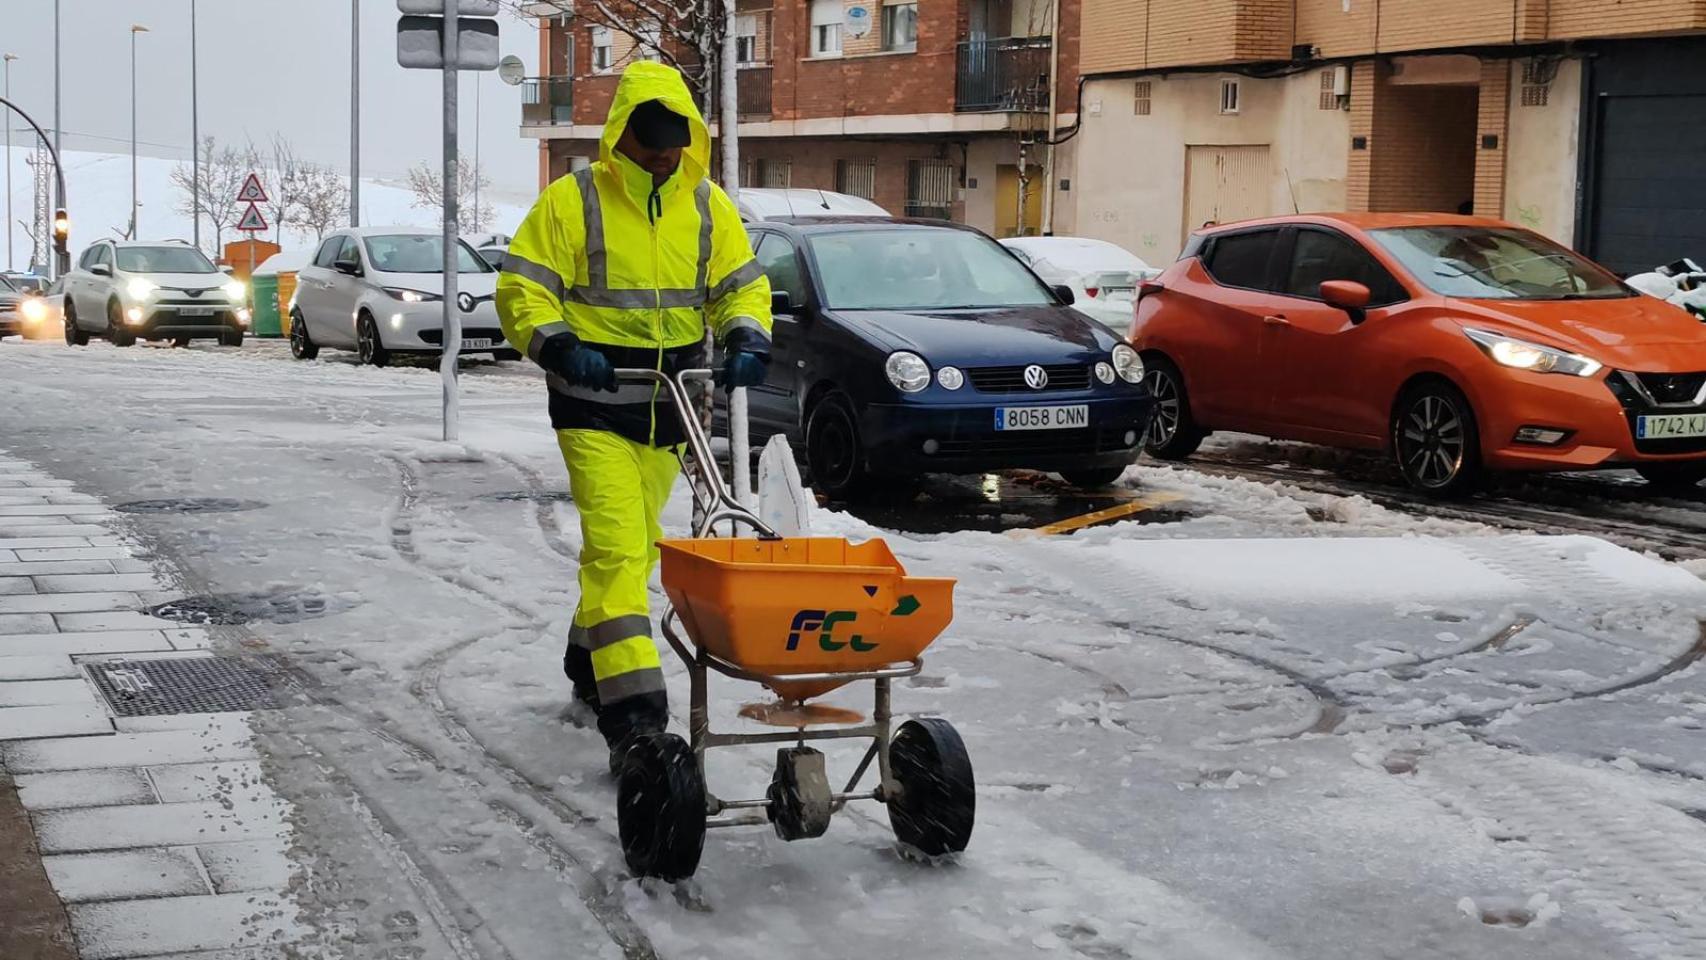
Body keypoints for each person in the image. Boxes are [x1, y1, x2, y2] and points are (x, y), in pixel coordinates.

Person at [497, 62, 773, 773]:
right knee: (621, 553)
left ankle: (586, 663)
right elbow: (524, 287)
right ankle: (635, 720)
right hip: (593, 408)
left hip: (670, 413)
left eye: (674, 144)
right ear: (621, 136)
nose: (662, 156)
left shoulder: (707, 207)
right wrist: (558, 342)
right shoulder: (572, 201)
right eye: (649, 143)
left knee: (632, 550)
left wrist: (747, 334)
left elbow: (740, 286)